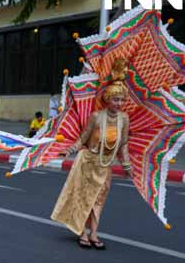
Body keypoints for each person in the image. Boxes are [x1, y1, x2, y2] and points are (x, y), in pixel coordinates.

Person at [52, 59, 132, 250]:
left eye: (122, 100)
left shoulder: (124, 119)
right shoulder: (96, 117)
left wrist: (127, 165)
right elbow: (82, 138)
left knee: (98, 200)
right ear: (107, 99)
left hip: (105, 166)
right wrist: (69, 151)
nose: (119, 103)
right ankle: (81, 233)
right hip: (87, 161)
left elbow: (124, 144)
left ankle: (94, 233)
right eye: (115, 99)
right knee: (83, 198)